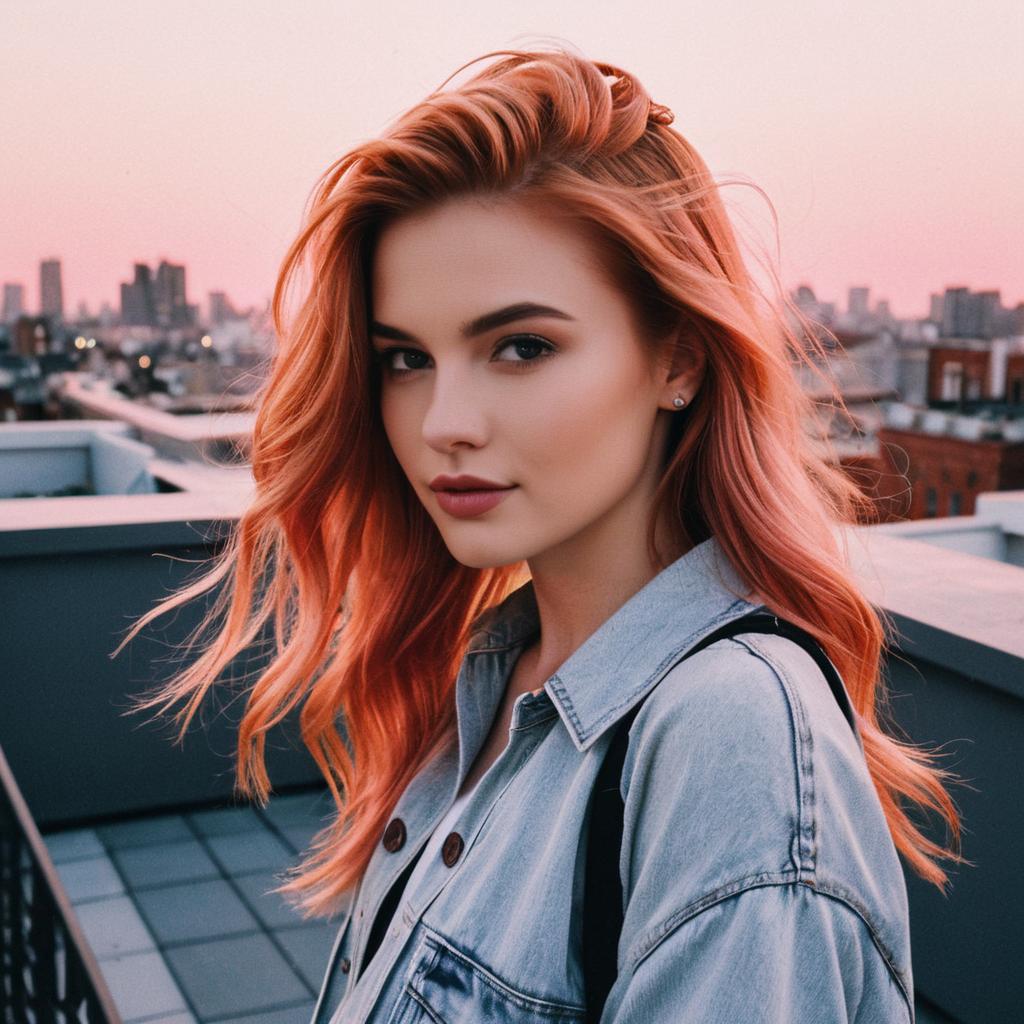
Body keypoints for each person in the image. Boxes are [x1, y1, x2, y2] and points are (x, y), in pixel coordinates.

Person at [120, 45, 965, 1022]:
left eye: (520, 346)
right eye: (405, 357)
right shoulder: (499, 676)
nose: (443, 422)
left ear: (677, 361)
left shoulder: (727, 733)